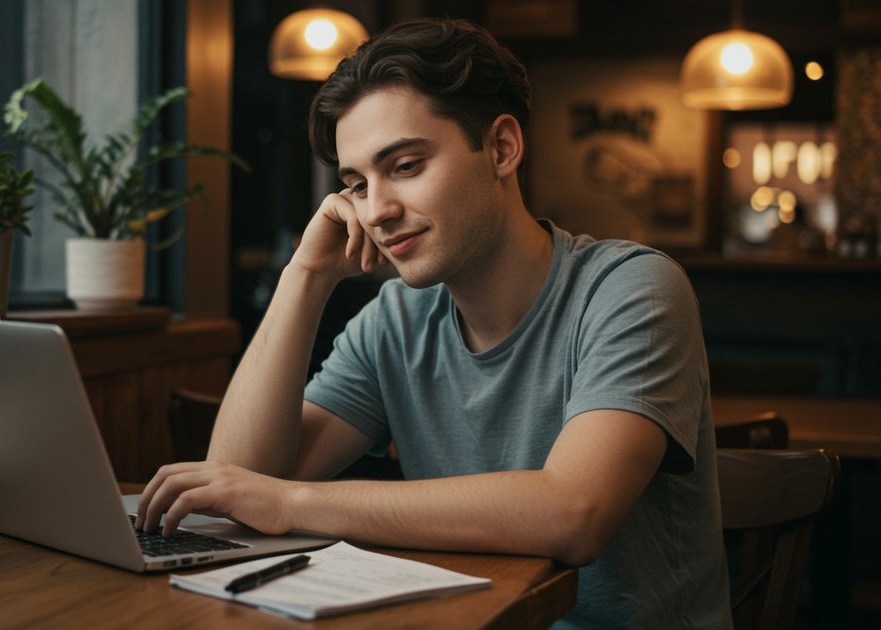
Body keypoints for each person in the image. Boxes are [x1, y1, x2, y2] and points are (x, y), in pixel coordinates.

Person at [137, 17, 731, 628]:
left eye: (406, 166)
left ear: (501, 148)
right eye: (357, 184)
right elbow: (241, 488)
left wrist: (292, 502)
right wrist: (304, 279)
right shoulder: (395, 320)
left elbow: (573, 515)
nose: (377, 210)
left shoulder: (629, 288)